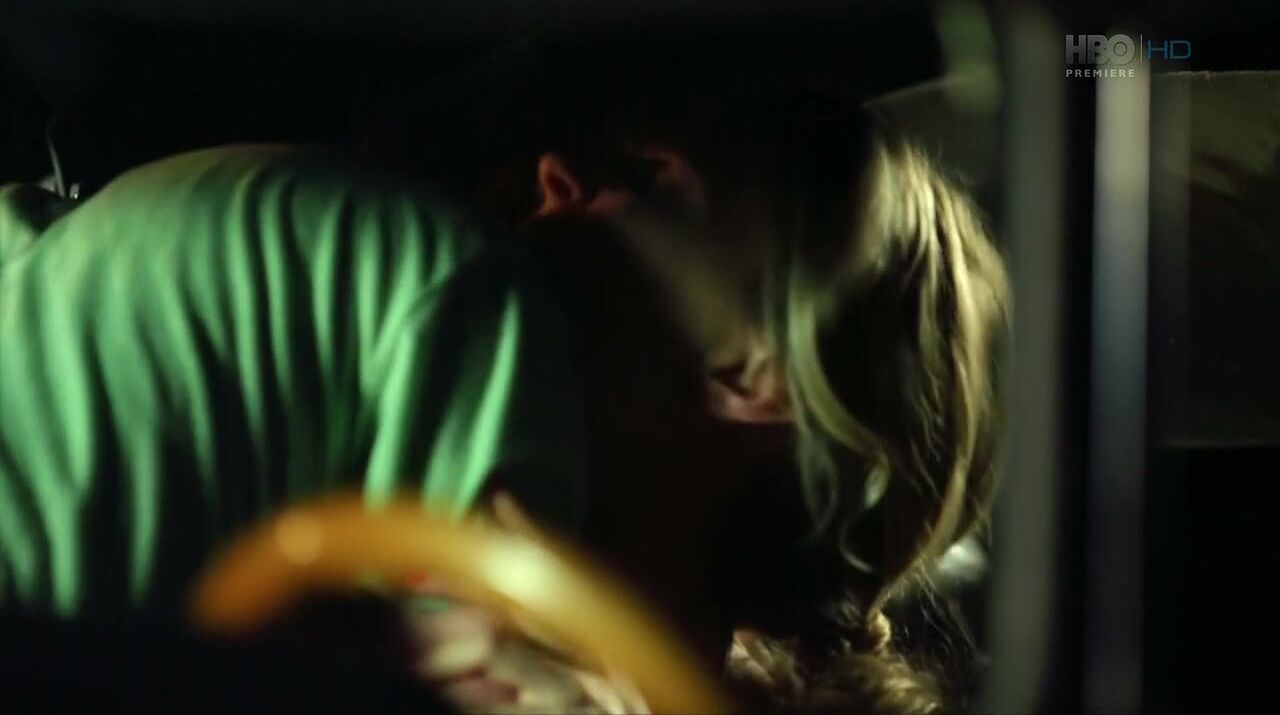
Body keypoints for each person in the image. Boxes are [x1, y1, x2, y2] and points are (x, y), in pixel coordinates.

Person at [0, 73, 1009, 712]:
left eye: (644, 181)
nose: (555, 174)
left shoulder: (450, 292)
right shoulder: (440, 281)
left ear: (766, 372)